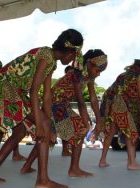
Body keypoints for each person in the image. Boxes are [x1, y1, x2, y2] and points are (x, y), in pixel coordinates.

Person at [0, 29, 84, 188]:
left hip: (13, 89)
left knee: (20, 132)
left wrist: (51, 125)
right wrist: (41, 125)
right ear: (69, 52)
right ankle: (42, 180)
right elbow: (34, 92)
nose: (73, 60)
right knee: (43, 125)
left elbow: (46, 97)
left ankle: (42, 179)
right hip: (5, 87)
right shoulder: (46, 56)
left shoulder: (51, 61)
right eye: (74, 56)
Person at [20, 49, 108, 177]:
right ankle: (74, 169)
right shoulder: (76, 74)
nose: (98, 73)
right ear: (89, 63)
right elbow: (80, 100)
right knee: (81, 129)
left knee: (46, 137)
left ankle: (26, 166)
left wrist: (99, 119)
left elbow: (93, 98)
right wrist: (85, 118)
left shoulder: (89, 77)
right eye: (98, 69)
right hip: (55, 105)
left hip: (60, 105)